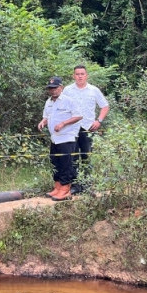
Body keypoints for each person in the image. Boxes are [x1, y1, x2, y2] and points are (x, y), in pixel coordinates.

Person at [63, 64, 109, 194]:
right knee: (73, 157)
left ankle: (88, 185)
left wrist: (99, 120)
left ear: (86, 75)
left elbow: (105, 106)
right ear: (73, 76)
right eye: (77, 74)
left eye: (82, 74)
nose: (80, 76)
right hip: (72, 128)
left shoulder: (93, 90)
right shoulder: (67, 90)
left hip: (88, 127)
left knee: (87, 156)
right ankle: (76, 186)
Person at [37, 76, 83, 201]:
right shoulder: (49, 102)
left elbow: (78, 116)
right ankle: (57, 187)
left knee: (65, 163)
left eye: (55, 88)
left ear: (61, 88)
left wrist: (63, 123)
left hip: (66, 137)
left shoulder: (69, 101)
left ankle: (65, 189)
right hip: (54, 138)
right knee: (55, 162)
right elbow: (46, 116)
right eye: (50, 88)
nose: (53, 91)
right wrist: (43, 122)